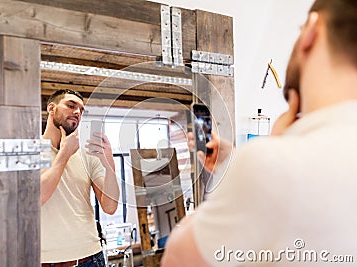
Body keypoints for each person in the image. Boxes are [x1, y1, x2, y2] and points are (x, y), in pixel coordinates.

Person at [162, 0, 357, 266]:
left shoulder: (273, 165)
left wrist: (272, 151)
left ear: (312, 29)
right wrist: (233, 169)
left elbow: (175, 259)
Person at [40, 89, 119, 267]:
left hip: (91, 258)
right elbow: (37, 198)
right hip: (46, 261)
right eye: (70, 105)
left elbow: (110, 206)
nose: (77, 112)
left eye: (81, 110)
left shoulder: (88, 154)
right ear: (51, 108)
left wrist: (109, 164)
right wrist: (64, 154)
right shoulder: (31, 151)